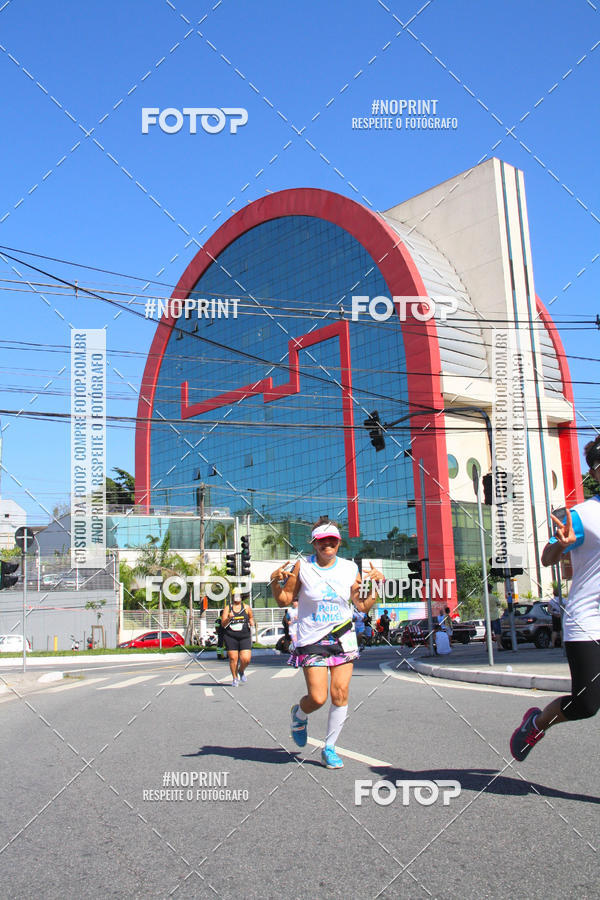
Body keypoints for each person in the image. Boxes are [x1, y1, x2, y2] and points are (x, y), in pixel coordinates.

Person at [510, 436, 600, 761]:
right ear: (595, 472)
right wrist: (561, 545)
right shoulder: (583, 515)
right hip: (588, 622)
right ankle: (536, 723)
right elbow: (547, 558)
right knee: (586, 704)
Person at [270, 517, 383, 769]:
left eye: (332, 540)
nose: (327, 545)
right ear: (314, 543)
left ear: (339, 542)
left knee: (340, 693)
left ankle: (329, 748)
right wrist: (274, 581)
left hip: (342, 636)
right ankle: (299, 714)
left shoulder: (349, 568)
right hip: (312, 638)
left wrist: (376, 586)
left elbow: (362, 605)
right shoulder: (302, 566)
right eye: (322, 541)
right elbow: (284, 599)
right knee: (318, 697)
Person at [221, 590, 255, 686]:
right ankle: (235, 678)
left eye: (239, 595)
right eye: (235, 595)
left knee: (246, 659)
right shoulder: (228, 608)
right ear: (232, 597)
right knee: (233, 658)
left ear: (241, 597)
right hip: (231, 636)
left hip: (244, 636)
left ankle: (241, 670)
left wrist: (252, 622)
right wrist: (229, 618)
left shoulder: (246, 607)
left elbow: (251, 617)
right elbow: (223, 624)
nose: (237, 597)